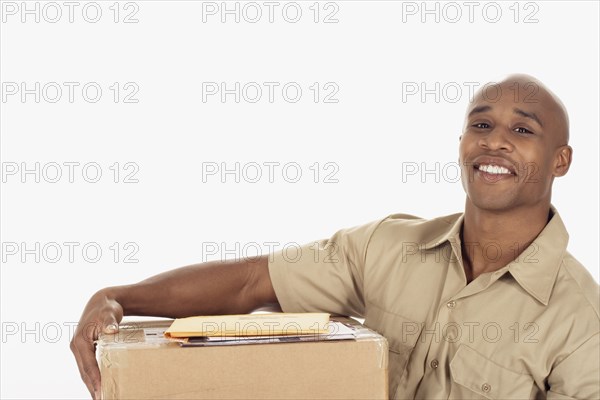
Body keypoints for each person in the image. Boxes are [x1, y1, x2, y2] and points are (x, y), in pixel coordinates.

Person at [71, 74, 599, 399]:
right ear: (461, 142)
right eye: (481, 125)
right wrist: (119, 297)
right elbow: (252, 282)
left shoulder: (580, 318)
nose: (496, 142)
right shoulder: (388, 247)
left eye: (523, 130)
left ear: (561, 160)